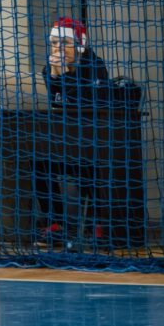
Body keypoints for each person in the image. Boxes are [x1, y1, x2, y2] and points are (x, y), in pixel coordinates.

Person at [35, 17, 109, 244]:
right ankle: (55, 224)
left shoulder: (94, 67)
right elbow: (57, 104)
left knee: (95, 165)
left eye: (64, 43)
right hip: (65, 143)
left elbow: (83, 104)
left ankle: (98, 223)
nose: (58, 48)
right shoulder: (50, 69)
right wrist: (55, 76)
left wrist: (65, 75)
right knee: (39, 162)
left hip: (93, 144)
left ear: (80, 44)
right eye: (54, 43)